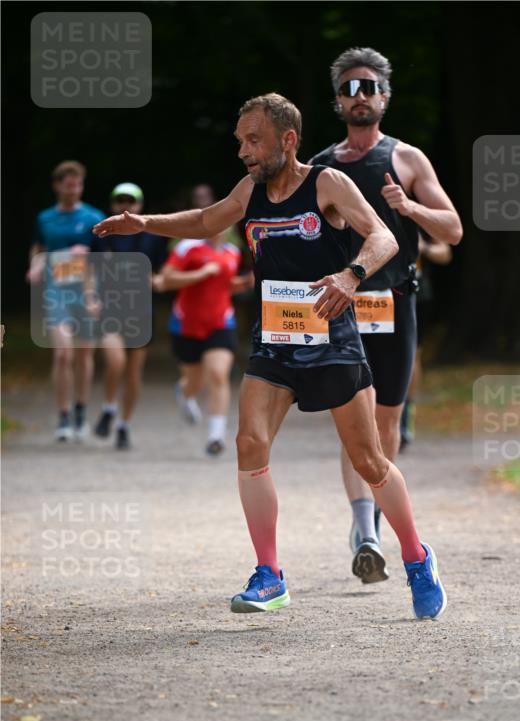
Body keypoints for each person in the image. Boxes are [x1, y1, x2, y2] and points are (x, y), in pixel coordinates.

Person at [93, 93, 446, 619]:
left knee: (368, 460)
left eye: (252, 139)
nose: (242, 151)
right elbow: (206, 220)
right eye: (239, 141)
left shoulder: (327, 182)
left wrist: (352, 276)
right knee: (249, 442)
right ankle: (269, 574)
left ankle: (417, 557)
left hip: (332, 339)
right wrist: (145, 223)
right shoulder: (249, 191)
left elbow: (382, 237)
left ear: (287, 139)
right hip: (274, 342)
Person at [310, 47, 462, 584]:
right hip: (341, 309)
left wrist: (410, 208)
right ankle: (367, 533)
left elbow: (452, 230)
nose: (360, 96)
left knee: (388, 421)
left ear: (385, 96)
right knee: (353, 421)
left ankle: (370, 516)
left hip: (396, 304)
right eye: (350, 88)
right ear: (337, 100)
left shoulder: (407, 159)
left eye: (369, 87)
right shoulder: (323, 168)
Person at [153, 229, 253, 455]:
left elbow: (225, 285)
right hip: (186, 324)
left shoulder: (232, 252)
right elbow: (167, 279)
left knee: (218, 374)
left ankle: (215, 436)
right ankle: (185, 392)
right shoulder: (188, 246)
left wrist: (245, 282)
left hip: (221, 323)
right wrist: (201, 273)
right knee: (194, 381)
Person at [27, 161, 105, 441]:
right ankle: (62, 417)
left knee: (84, 354)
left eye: (78, 185)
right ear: (57, 186)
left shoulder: (94, 216)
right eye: (69, 185)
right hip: (56, 291)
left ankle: (80, 411)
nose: (74, 190)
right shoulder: (45, 218)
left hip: (85, 291)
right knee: (62, 354)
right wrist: (35, 266)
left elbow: (102, 258)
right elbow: (38, 247)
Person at [90, 183, 169, 449]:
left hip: (140, 309)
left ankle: (123, 424)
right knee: (115, 362)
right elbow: (91, 268)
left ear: (140, 205)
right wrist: (90, 296)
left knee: (134, 372)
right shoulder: (101, 232)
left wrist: (157, 279)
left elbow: (165, 268)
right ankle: (109, 406)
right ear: (112, 204)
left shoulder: (152, 234)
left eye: (131, 201)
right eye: (120, 200)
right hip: (111, 305)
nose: (126, 205)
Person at [400, 233, 453, 450]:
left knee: (412, 355)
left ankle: (405, 417)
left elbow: (445, 253)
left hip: (417, 293)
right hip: (375, 293)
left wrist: (423, 247)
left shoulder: (417, 208)